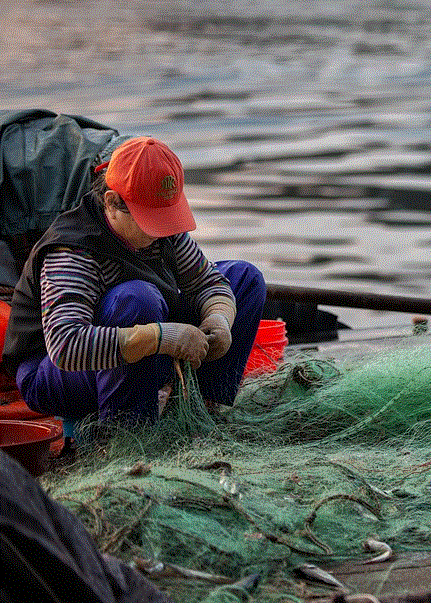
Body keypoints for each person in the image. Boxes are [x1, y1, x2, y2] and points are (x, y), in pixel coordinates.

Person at [2, 135, 265, 428]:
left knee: (245, 278)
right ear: (112, 202)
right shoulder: (72, 252)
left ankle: (204, 407)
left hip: (140, 348)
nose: (161, 231)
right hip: (55, 373)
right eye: (150, 221)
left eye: (166, 217)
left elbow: (207, 282)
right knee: (137, 299)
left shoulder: (164, 230)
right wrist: (160, 338)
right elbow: (67, 346)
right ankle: (127, 429)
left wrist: (219, 318)